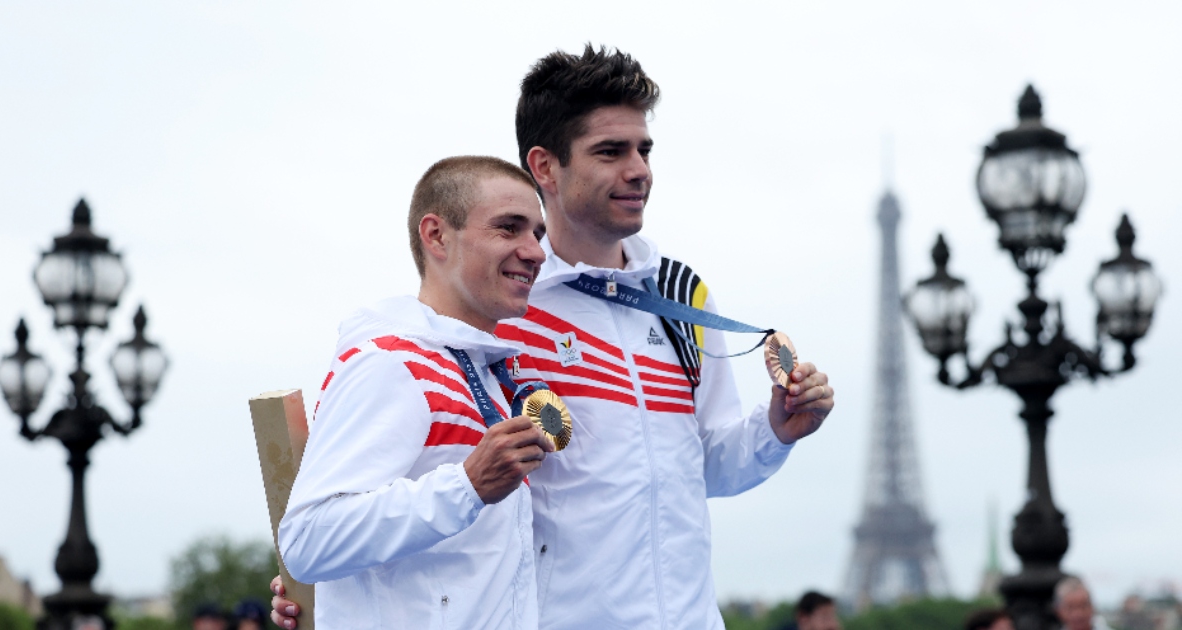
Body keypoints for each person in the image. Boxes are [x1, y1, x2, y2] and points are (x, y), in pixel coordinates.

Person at [273, 45, 835, 629]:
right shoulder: (495, 304)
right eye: (611, 152)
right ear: (545, 167)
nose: (638, 169)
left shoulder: (683, 296)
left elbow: (705, 469)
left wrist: (775, 432)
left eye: (644, 149)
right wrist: (323, 587)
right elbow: (396, 475)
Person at [275, 156, 554, 629]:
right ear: (436, 235)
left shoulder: (494, 374)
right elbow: (306, 541)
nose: (535, 252)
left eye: (537, 235)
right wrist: (465, 486)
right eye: (509, 229)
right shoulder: (388, 361)